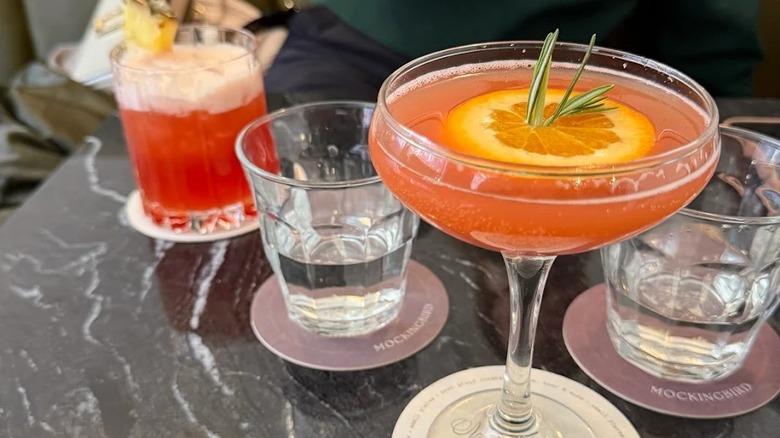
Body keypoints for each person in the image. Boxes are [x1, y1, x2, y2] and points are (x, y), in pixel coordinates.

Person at [263, 0, 763, 101]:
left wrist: (722, 107)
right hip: (356, 43)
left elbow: (715, 30)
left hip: (558, 65)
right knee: (304, 193)